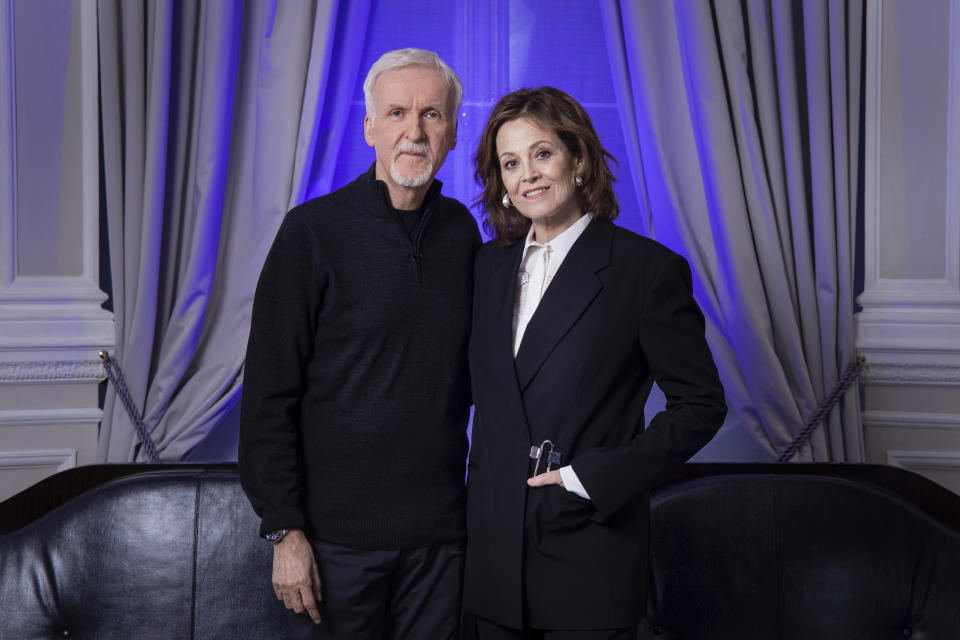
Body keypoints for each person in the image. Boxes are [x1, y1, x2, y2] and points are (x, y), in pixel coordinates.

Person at [464, 86, 727, 638]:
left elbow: (701, 406)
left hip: (587, 549)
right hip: (490, 557)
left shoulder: (646, 271)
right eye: (510, 163)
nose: (527, 175)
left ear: (577, 159)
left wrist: (590, 478)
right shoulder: (487, 266)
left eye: (542, 153)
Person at [238, 48, 480, 639]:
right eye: (397, 112)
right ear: (370, 126)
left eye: (432, 115)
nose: (415, 131)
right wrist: (284, 531)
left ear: (451, 131)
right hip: (331, 545)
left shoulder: (464, 235)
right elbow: (268, 395)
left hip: (441, 543)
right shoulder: (311, 232)